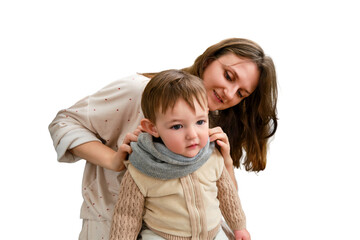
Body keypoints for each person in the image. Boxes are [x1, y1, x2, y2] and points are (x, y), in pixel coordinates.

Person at [48, 38, 277, 239]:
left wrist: (225, 161)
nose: (229, 93)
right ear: (208, 61)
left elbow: (223, 195)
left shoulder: (212, 119)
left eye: (240, 93)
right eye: (228, 76)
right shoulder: (141, 91)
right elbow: (65, 122)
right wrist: (113, 160)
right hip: (111, 227)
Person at [110, 69, 249, 240]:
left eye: (200, 122)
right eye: (177, 126)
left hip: (211, 233)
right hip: (162, 235)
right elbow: (127, 215)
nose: (193, 134)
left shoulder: (212, 157)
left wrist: (239, 227)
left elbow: (228, 196)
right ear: (153, 128)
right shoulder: (141, 167)